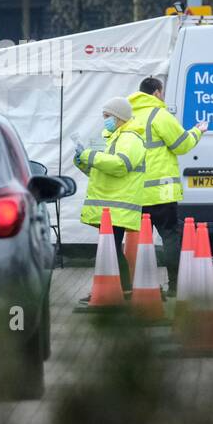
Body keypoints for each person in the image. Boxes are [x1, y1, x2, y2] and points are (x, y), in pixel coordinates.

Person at [129, 77, 208, 296]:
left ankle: (138, 288)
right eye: (162, 93)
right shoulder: (159, 115)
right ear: (156, 93)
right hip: (161, 192)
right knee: (170, 238)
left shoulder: (128, 116)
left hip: (135, 192)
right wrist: (197, 131)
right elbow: (181, 144)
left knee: (138, 241)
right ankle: (174, 286)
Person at [73, 96, 147, 294]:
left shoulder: (131, 138)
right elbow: (98, 170)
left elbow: (120, 165)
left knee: (112, 250)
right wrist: (81, 160)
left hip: (118, 205)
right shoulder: (110, 137)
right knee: (111, 250)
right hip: (110, 206)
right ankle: (119, 291)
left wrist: (89, 155)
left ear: (119, 117)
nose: (104, 119)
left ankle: (120, 291)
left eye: (107, 116)